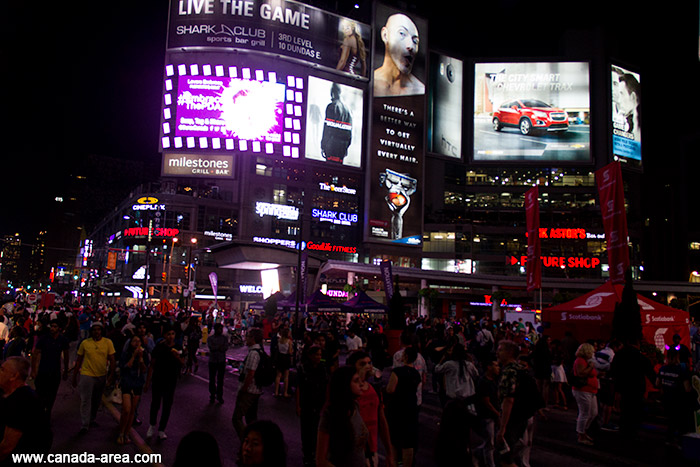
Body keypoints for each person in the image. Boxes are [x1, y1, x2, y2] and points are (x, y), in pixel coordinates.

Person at [0, 357, 52, 463]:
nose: (0, 372)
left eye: (2, 369)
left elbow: (7, 447)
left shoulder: (22, 400)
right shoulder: (6, 392)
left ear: (14, 376)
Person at [347, 351, 394, 467]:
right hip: (350, 451)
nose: (367, 367)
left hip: (371, 450)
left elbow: (382, 421)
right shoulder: (347, 390)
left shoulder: (375, 389)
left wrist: (389, 452)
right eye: (362, 364)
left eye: (369, 363)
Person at [316, 366, 369, 467]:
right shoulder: (330, 415)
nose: (361, 384)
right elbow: (321, 461)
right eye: (356, 381)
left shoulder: (355, 407)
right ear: (345, 385)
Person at [72, 321, 116, 434]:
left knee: (96, 400)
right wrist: (74, 375)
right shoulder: (85, 343)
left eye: (99, 329)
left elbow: (112, 359)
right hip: (87, 375)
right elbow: (79, 360)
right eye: (95, 330)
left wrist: (111, 375)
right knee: (86, 399)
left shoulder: (108, 343)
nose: (97, 332)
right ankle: (85, 424)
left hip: (101, 375)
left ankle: (91, 419)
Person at [145, 326, 184, 440]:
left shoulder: (178, 347)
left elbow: (183, 363)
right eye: (168, 334)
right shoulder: (159, 347)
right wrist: (147, 381)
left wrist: (177, 357)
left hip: (171, 381)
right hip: (158, 379)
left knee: (167, 405)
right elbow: (152, 364)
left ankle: (162, 429)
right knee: (155, 403)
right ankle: (152, 425)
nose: (171, 336)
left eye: (172, 334)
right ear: (164, 335)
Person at [386, 346, 421, 467]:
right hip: (411, 407)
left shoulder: (397, 372)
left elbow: (390, 389)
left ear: (405, 356)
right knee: (409, 442)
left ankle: (395, 463)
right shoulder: (416, 374)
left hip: (397, 408)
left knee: (394, 440)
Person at [373, 13, 424, 97]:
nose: (410, 46)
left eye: (415, 41)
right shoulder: (372, 81)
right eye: (402, 34)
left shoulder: (420, 91)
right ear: (385, 35)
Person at [496, 340, 527, 467]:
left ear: (509, 353)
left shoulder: (509, 371)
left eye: (500, 350)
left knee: (505, 459)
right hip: (522, 416)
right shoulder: (521, 369)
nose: (497, 352)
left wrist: (502, 427)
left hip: (511, 419)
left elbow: (509, 399)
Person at [296, 345, 328, 467]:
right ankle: (308, 454)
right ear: (310, 355)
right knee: (306, 430)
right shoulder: (303, 369)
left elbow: (326, 386)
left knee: (317, 430)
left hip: (319, 404)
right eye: (316, 355)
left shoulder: (322, 368)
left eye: (320, 355)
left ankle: (316, 453)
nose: (318, 357)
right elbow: (299, 388)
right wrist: (298, 405)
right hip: (307, 404)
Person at [31, 319, 70, 415]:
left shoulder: (63, 340)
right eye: (51, 326)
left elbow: (66, 355)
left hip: (55, 372)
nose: (52, 328)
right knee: (40, 394)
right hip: (42, 371)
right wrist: (33, 370)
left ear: (59, 328)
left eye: (55, 327)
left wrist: (65, 370)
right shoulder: (44, 339)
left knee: (51, 396)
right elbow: (35, 354)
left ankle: (47, 415)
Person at [233, 328, 265, 440]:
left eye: (248, 336)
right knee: (251, 419)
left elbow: (250, 373)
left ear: (253, 339)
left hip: (250, 390)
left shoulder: (253, 354)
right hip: (256, 390)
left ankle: (246, 440)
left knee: (237, 418)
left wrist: (243, 389)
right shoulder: (259, 351)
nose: (246, 339)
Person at [656, 348, 692, 446]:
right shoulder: (681, 370)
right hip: (678, 400)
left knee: (670, 421)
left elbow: (657, 383)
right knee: (681, 423)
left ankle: (669, 440)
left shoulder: (662, 369)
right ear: (677, 357)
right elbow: (687, 388)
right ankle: (681, 443)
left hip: (666, 399)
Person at [118, 335, 149, 445]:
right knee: (126, 409)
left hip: (137, 383)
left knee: (132, 410)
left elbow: (145, 369)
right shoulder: (126, 354)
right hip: (127, 382)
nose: (137, 343)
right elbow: (126, 366)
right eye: (134, 341)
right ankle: (121, 432)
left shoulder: (144, 354)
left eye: (138, 341)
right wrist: (134, 356)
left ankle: (126, 433)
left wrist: (141, 359)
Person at [572, 343, 598, 445]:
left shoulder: (587, 361)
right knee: (584, 413)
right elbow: (581, 373)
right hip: (583, 390)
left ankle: (583, 430)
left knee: (593, 412)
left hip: (591, 390)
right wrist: (591, 367)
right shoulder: (580, 361)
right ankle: (581, 435)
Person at [208, 323, 229, 404]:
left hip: (221, 361)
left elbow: (225, 347)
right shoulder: (211, 338)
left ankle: (219, 396)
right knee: (212, 379)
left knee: (220, 380)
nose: (220, 330)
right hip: (213, 360)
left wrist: (217, 348)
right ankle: (212, 395)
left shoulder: (224, 338)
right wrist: (219, 347)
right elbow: (211, 348)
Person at [274, 327, 293, 398]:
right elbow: (290, 352)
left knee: (278, 375)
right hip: (286, 358)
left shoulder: (279, 340)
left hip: (280, 357)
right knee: (286, 376)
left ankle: (276, 391)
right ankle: (285, 392)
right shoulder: (289, 341)